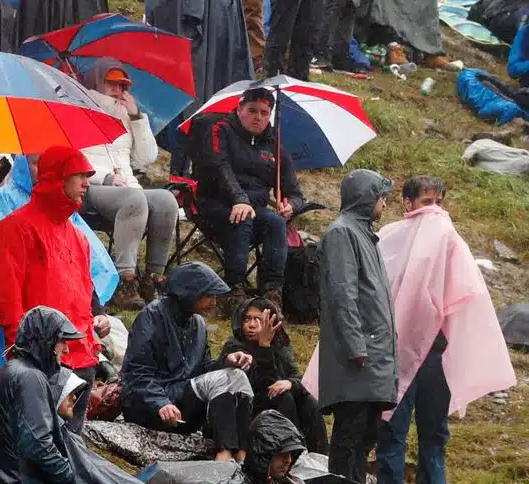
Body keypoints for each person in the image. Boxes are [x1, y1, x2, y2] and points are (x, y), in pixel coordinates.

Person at [366, 176, 517, 484]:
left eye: (438, 203)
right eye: (426, 203)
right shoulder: (390, 238)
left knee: (434, 438)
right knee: (391, 434)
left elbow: (468, 298)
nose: (434, 211)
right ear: (408, 204)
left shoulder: (451, 242)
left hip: (436, 355)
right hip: (395, 354)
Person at [0, 146, 111, 421]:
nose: (87, 183)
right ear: (58, 177)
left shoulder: (79, 238)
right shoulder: (16, 227)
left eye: (88, 176)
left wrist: (96, 327)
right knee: (36, 440)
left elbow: (83, 294)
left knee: (71, 442)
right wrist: (24, 355)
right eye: (79, 175)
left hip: (83, 360)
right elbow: (6, 299)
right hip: (42, 362)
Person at [312, 169, 398, 483]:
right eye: (381, 197)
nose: (384, 203)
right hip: (358, 356)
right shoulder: (342, 233)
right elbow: (342, 293)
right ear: (366, 197)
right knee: (350, 434)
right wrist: (355, 345)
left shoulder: (365, 235)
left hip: (373, 355)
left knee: (365, 435)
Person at [121, 263, 255, 459]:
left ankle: (241, 456)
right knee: (225, 380)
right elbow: (136, 373)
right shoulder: (152, 317)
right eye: (208, 296)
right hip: (150, 407)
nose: (214, 302)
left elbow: (202, 371)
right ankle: (224, 455)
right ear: (189, 293)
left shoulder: (198, 323)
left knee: (236, 376)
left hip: (182, 404)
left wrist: (226, 362)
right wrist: (161, 403)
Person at [192, 86, 300, 299]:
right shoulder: (220, 130)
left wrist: (291, 206)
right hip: (214, 203)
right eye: (252, 110)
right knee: (243, 217)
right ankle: (234, 289)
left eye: (264, 113)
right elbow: (219, 168)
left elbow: (295, 192)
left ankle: (272, 291)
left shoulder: (275, 145)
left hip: (255, 208)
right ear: (239, 109)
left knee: (276, 222)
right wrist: (239, 199)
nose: (258, 117)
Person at [83, 65, 175, 306]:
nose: (118, 89)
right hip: (90, 187)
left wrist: (136, 117)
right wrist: (105, 177)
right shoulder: (76, 110)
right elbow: (71, 159)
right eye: (111, 83)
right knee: (134, 199)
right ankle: (125, 280)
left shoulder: (125, 115)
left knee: (166, 201)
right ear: (96, 82)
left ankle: (152, 278)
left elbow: (147, 158)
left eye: (122, 85)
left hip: (127, 186)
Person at [0, 307, 102, 484]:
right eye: (62, 341)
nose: (66, 350)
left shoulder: (5, 372)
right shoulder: (30, 377)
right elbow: (38, 444)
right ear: (47, 340)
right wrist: (69, 476)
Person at [221, 297, 325, 451]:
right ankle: (288, 451)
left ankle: (321, 455)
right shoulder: (235, 348)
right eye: (247, 319)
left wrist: (289, 383)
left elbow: (298, 377)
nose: (251, 325)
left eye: (258, 319)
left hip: (279, 406)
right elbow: (261, 385)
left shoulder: (279, 347)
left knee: (308, 401)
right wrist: (264, 347)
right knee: (283, 397)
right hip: (250, 411)